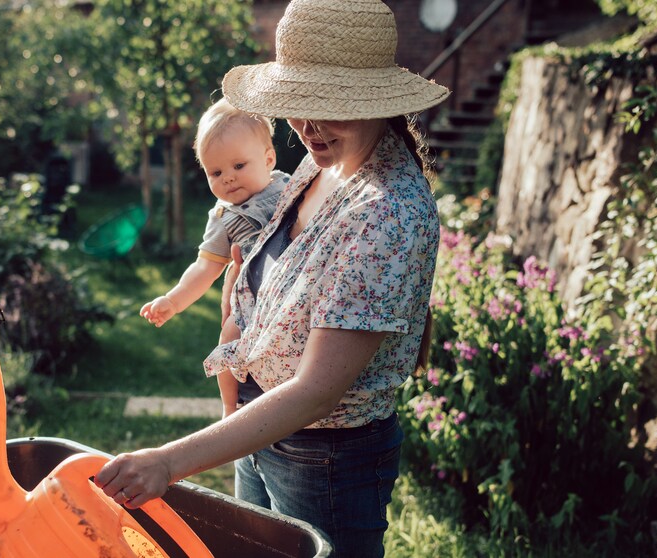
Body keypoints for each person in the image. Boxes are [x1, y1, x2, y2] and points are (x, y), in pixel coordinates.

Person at [97, 0, 448, 555]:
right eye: (294, 105)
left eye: (324, 106)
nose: (305, 127)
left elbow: (315, 392)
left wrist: (168, 462)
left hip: (323, 459)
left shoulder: (388, 212)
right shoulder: (322, 160)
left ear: (372, 100)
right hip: (259, 426)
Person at [140, 97, 290, 417]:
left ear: (269, 159)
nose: (228, 178)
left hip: (294, 293)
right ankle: (229, 407)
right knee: (228, 337)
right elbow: (205, 268)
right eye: (216, 171)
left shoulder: (291, 188)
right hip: (251, 302)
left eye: (238, 166)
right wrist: (173, 300)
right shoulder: (225, 218)